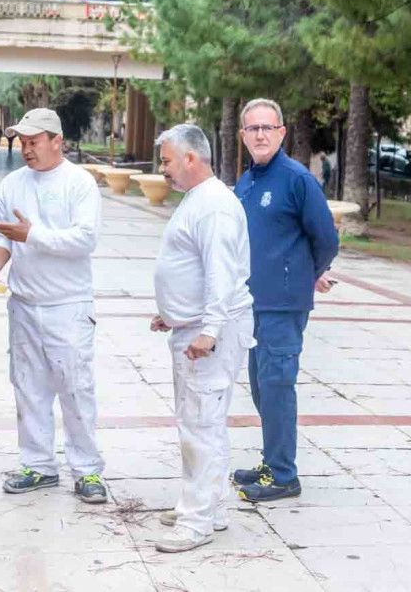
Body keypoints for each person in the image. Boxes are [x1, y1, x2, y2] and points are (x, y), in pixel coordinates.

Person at [0, 107, 107, 504]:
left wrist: (32, 235)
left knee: (75, 388)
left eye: (34, 142)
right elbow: (2, 237)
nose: (27, 150)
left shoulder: (80, 184)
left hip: (66, 305)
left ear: (57, 142)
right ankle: (38, 465)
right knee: (28, 387)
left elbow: (84, 240)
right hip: (24, 303)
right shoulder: (12, 184)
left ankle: (87, 470)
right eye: (23, 142)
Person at [150, 124, 253, 553]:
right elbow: (193, 267)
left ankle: (195, 523)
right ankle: (211, 507)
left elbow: (220, 274)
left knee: (199, 427)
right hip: (193, 327)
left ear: (192, 158)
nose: (163, 170)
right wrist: (173, 313)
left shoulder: (213, 206)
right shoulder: (200, 200)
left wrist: (208, 331)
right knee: (205, 423)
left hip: (210, 334)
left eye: (168, 160)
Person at [231, 98, 339, 502]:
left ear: (281, 133)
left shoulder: (297, 179)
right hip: (252, 303)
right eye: (252, 128)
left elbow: (326, 238)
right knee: (262, 388)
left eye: (267, 127)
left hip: (282, 305)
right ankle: (271, 459)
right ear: (243, 136)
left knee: (277, 385)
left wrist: (310, 273)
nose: (260, 134)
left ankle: (283, 475)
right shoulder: (248, 181)